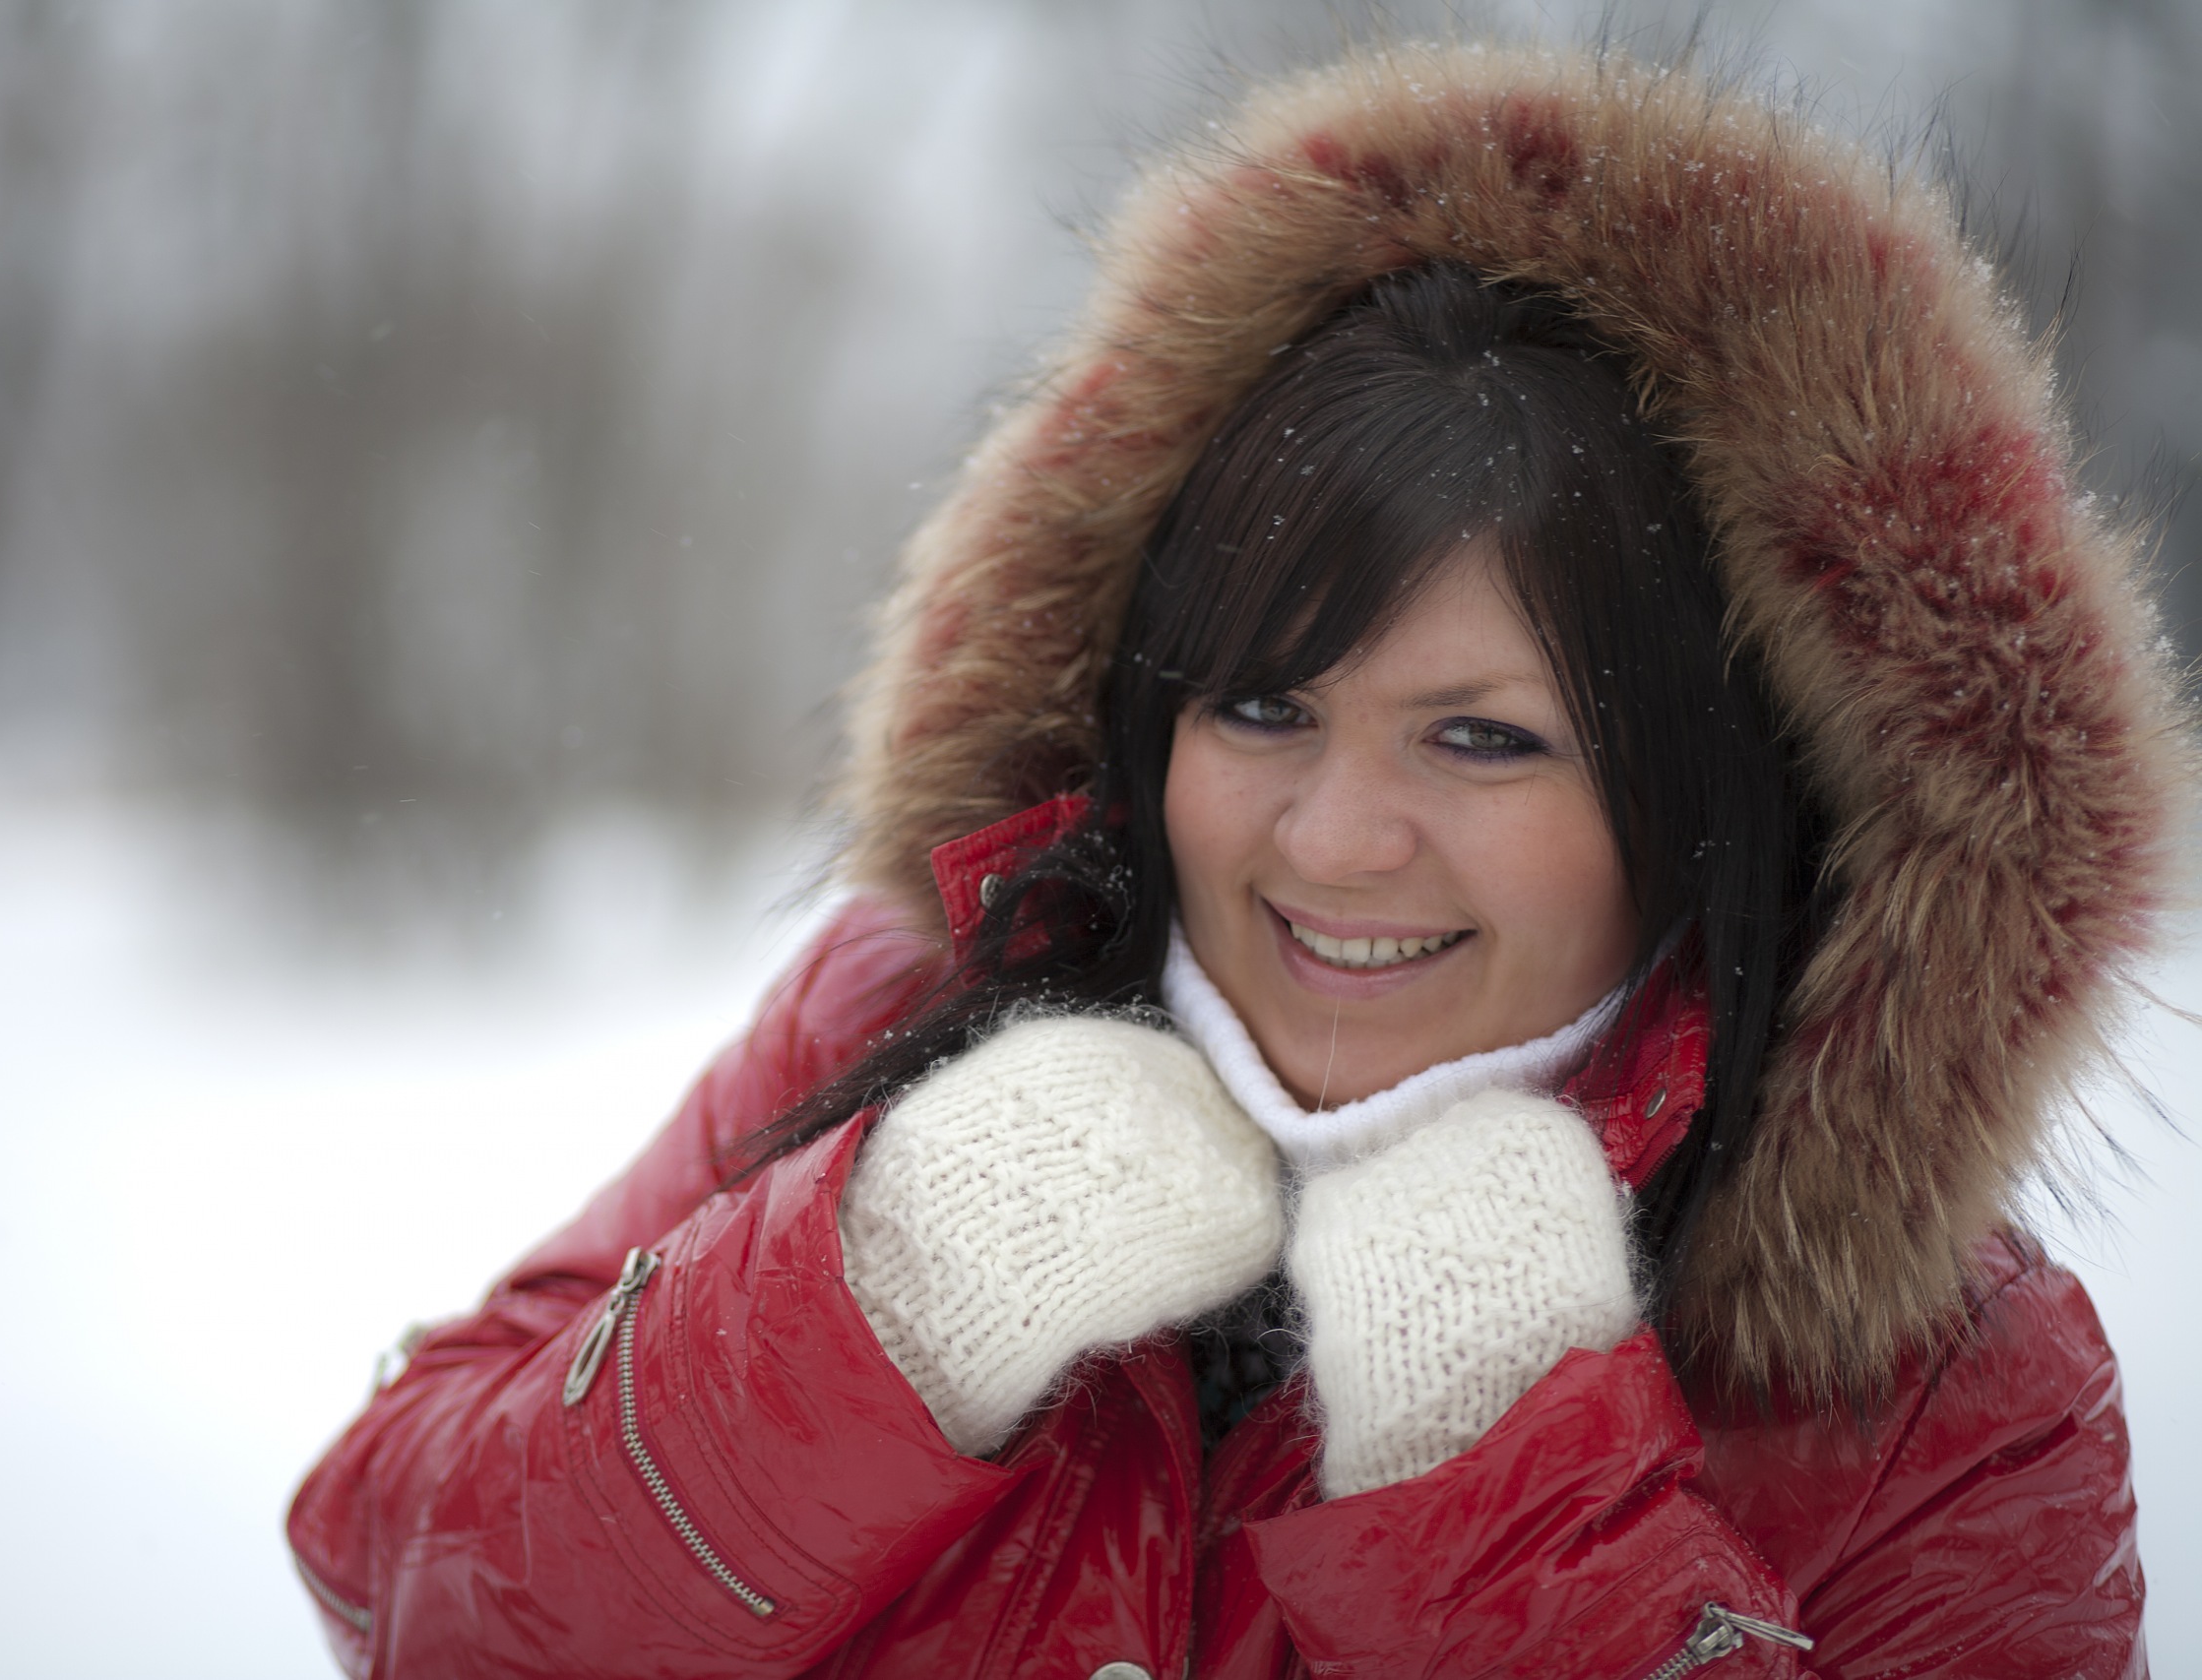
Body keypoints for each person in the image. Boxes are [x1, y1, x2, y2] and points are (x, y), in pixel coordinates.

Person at [287, 43, 2173, 1679]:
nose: (1332, 837)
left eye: (1483, 738)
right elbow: (401, 1584)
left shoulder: (1943, 1394)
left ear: (1702, 801)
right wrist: (878, 1308)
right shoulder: (894, 1025)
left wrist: (1515, 1513)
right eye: (1263, 707)